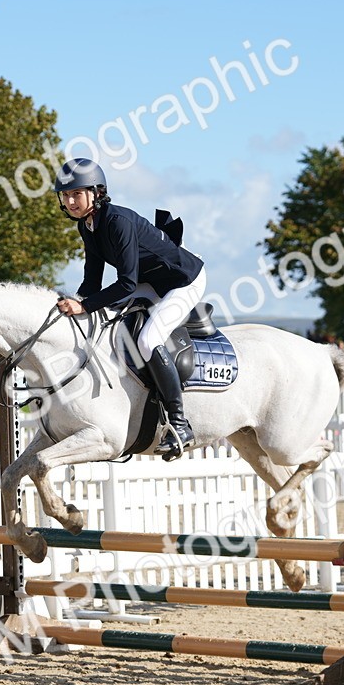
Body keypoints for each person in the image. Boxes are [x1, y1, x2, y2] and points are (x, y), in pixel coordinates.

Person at [52, 158, 206, 461]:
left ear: (97, 192)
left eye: (76, 194)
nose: (70, 201)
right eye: (65, 196)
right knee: (107, 321)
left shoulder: (117, 221)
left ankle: (179, 424)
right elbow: (92, 282)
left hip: (182, 281)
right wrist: (71, 306)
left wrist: (84, 305)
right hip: (150, 281)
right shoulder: (89, 226)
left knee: (148, 340)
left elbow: (125, 284)